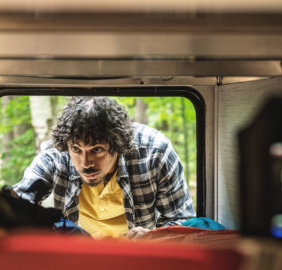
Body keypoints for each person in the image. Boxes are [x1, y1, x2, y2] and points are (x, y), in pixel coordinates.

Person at [12, 96, 195, 239]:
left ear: (118, 145)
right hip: (77, 255)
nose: (85, 163)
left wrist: (153, 236)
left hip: (138, 255)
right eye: (76, 149)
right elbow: (15, 208)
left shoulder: (155, 153)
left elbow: (183, 221)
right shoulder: (55, 155)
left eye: (97, 150)